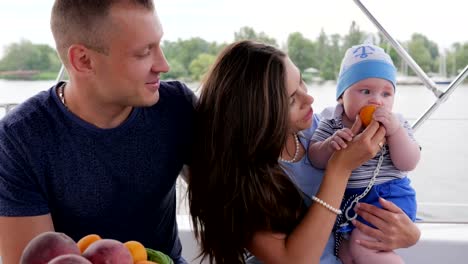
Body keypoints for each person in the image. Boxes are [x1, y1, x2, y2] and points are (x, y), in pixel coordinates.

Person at [188, 40, 420, 264]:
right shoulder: (239, 179)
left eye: (301, 82)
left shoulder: (319, 129)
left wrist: (410, 235)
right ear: (256, 114)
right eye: (291, 99)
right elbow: (295, 260)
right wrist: (340, 168)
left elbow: (380, 183)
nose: (309, 98)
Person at [0, 1, 194, 263]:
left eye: (159, 45)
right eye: (144, 52)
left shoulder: (177, 107)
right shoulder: (17, 141)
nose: (163, 64)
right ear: (83, 60)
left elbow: (236, 199)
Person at [308, 43, 421, 263]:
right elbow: (314, 158)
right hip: (348, 201)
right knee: (346, 253)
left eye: (386, 94)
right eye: (366, 91)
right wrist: (330, 145)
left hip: (389, 197)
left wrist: (395, 132)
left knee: (363, 246)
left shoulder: (396, 123)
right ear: (342, 96)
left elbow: (409, 162)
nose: (377, 100)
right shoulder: (331, 121)